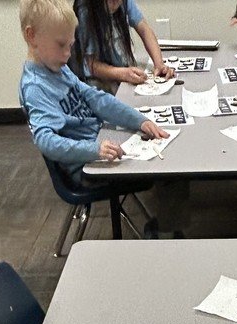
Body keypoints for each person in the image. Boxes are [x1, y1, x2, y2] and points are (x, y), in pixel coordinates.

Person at [20, 0, 188, 239]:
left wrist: (139, 121)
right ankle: (164, 236)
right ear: (32, 36)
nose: (69, 55)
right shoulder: (36, 87)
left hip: (98, 143)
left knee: (162, 144)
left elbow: (96, 99)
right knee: (169, 170)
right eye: (61, 46)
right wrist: (94, 150)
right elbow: (46, 141)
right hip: (87, 165)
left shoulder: (58, 68)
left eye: (71, 46)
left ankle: (165, 228)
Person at [71, 0, 174, 94]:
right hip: (96, 83)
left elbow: (144, 29)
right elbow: (91, 65)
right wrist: (122, 74)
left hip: (120, 73)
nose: (116, 2)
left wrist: (159, 64)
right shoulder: (85, 11)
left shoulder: (125, 2)